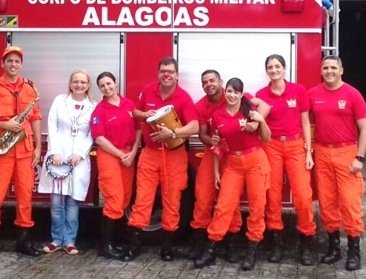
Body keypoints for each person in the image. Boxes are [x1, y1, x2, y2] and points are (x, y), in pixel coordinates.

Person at [126, 57, 200, 261]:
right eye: (163, 71)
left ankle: (167, 247)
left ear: (177, 75)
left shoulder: (183, 98)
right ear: (158, 73)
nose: (166, 75)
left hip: (174, 155)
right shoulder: (148, 90)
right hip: (150, 154)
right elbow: (136, 113)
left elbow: (194, 126)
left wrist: (173, 134)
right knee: (142, 199)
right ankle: (134, 244)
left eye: (170, 72)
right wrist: (144, 113)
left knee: (172, 201)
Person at [194, 78, 271, 271]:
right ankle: (211, 249)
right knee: (223, 207)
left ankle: (251, 251)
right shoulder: (218, 116)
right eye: (229, 91)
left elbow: (267, 138)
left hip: (255, 161)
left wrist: (261, 121)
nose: (231, 95)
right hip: (233, 165)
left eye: (236, 92)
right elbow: (217, 145)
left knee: (256, 207)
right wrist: (217, 170)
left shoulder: (250, 112)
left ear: (241, 94)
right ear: (224, 90)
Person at [0, 46, 43, 258]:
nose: (13, 64)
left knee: (25, 195)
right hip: (1, 150)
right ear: (2, 64)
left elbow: (34, 118)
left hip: (24, 150)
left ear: (21, 64)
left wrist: (38, 146)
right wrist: (4, 125)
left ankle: (23, 241)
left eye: (17, 61)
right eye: (9, 61)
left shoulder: (30, 88)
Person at [307, 56, 366, 271]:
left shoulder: (352, 94)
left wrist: (359, 158)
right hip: (322, 152)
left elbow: (365, 128)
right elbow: (301, 118)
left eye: (333, 67)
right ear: (321, 70)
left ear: (341, 70)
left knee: (350, 203)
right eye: (325, 67)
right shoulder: (313, 94)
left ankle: (354, 250)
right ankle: (334, 247)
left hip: (346, 153)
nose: (329, 71)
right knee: (326, 203)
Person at [255, 53, 317, 265]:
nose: (273, 70)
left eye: (277, 66)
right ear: (267, 71)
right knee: (272, 195)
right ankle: (275, 241)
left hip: (295, 145)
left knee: (302, 195)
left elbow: (306, 122)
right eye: (270, 67)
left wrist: (308, 151)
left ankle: (307, 240)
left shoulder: (298, 90)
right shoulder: (261, 94)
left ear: (284, 68)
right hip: (271, 145)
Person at [37, 69, 96, 255]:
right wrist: (53, 151)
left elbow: (92, 133)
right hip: (58, 157)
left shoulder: (93, 106)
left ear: (88, 86)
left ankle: (70, 240)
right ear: (70, 84)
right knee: (56, 201)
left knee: (72, 202)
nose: (79, 85)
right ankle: (56, 239)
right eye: (76, 81)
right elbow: (52, 126)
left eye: (83, 82)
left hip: (78, 160)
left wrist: (80, 153)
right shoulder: (59, 101)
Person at [90, 71, 141, 260]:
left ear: (116, 83)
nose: (106, 88)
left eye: (109, 83)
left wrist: (134, 152)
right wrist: (120, 154)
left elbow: (138, 129)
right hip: (110, 156)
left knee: (125, 199)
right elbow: (100, 139)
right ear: (99, 89)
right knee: (114, 198)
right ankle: (106, 245)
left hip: (128, 155)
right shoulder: (99, 111)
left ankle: (117, 239)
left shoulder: (129, 104)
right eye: (102, 85)